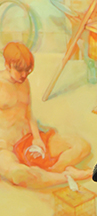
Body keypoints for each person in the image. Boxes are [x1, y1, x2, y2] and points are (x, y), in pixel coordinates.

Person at [0, 42, 91, 188]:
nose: (24, 75)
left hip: (29, 140)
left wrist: (37, 138)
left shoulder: (24, 82)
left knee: (81, 146)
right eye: (19, 71)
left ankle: (51, 171)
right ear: (7, 65)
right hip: (6, 147)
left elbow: (28, 113)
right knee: (18, 175)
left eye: (27, 71)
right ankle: (67, 176)